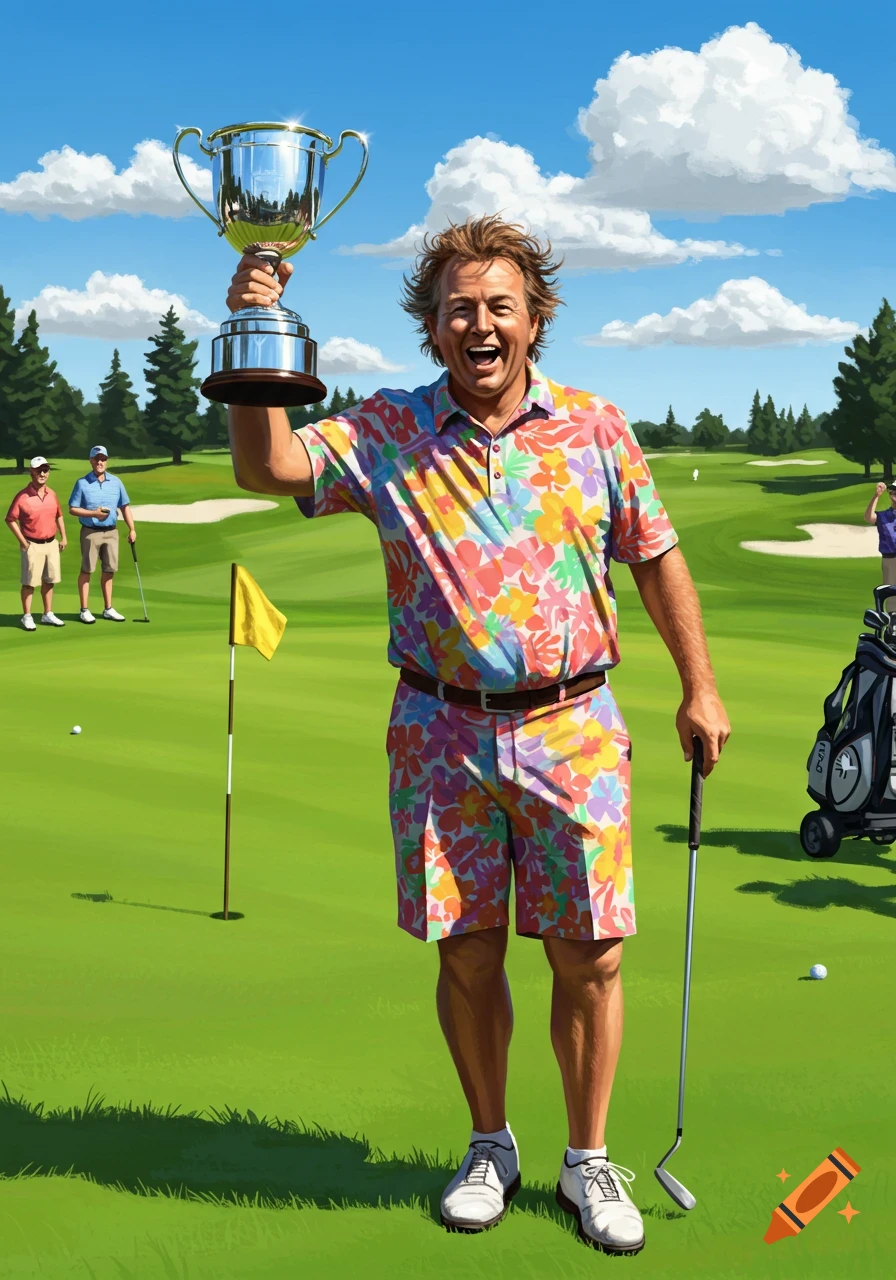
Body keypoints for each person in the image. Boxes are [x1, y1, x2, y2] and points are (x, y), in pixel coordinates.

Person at [225, 216, 731, 1255]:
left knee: (588, 955)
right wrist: (258, 332)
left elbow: (656, 556)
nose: (479, 323)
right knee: (465, 951)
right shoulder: (386, 431)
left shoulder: (595, 428)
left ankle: (586, 1157)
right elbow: (266, 467)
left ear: (534, 319)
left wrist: (699, 684)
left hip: (574, 725)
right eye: (458, 307)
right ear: (432, 328)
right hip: (437, 727)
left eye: (499, 304)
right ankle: (488, 1141)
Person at [68, 446, 136, 623]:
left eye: (103, 459)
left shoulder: (116, 482)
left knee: (109, 570)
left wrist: (132, 529)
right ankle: (84, 610)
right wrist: (94, 514)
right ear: (90, 460)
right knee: (87, 570)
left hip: (111, 532)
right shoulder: (82, 483)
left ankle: (108, 608)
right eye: (96, 459)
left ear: (107, 460)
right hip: (90, 533)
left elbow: (125, 506)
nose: (100, 462)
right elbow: (72, 509)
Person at [5, 456, 67, 630]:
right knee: (29, 583)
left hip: (51, 543)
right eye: (39, 470)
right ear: (31, 471)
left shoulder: (52, 494)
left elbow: (59, 515)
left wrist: (64, 537)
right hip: (32, 544)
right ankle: (27, 616)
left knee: (50, 580)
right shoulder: (23, 497)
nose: (42, 473)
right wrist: (23, 542)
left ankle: (48, 614)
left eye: (45, 470)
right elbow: (10, 519)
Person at [863, 481, 896, 609]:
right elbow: (869, 517)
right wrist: (876, 496)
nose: (893, 492)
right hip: (889, 557)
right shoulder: (884, 516)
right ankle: (894, 619)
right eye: (892, 490)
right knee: (891, 588)